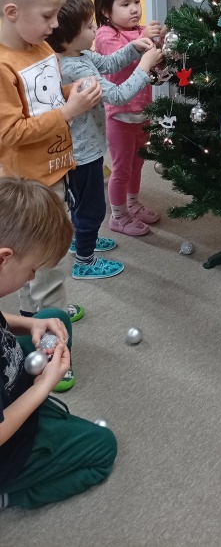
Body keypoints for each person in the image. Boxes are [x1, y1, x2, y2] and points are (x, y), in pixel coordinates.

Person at [0, 0, 102, 390]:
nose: (55, 25)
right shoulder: (3, 65)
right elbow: (12, 132)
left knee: (38, 268)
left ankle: (35, 314)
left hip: (56, 168)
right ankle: (52, 350)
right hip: (31, 182)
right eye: (47, 16)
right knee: (47, 264)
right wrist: (69, 111)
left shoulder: (40, 46)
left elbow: (43, 97)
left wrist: (68, 92)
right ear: (12, 12)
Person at [0, 176, 117, 509]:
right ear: (3, 258)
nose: (33, 277)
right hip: (7, 448)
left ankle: (35, 398)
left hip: (11, 379)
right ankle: (9, 495)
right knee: (103, 449)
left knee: (54, 318)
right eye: (32, 269)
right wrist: (43, 387)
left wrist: (31, 322)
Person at [47, 0, 163, 277]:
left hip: (85, 147)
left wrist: (133, 48)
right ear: (66, 39)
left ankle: (81, 241)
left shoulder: (81, 54)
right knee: (92, 208)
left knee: (81, 202)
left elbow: (109, 63)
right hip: (83, 153)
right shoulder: (75, 69)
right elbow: (119, 95)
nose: (95, 30)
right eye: (89, 26)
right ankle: (85, 261)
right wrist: (145, 66)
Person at [94, 0, 166, 237]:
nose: (134, 9)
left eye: (136, 1)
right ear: (106, 11)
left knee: (138, 165)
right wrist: (142, 39)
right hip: (119, 116)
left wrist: (161, 39)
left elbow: (154, 62)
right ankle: (118, 215)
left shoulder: (139, 30)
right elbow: (117, 58)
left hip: (142, 112)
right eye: (125, 4)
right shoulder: (105, 34)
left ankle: (132, 204)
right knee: (121, 170)